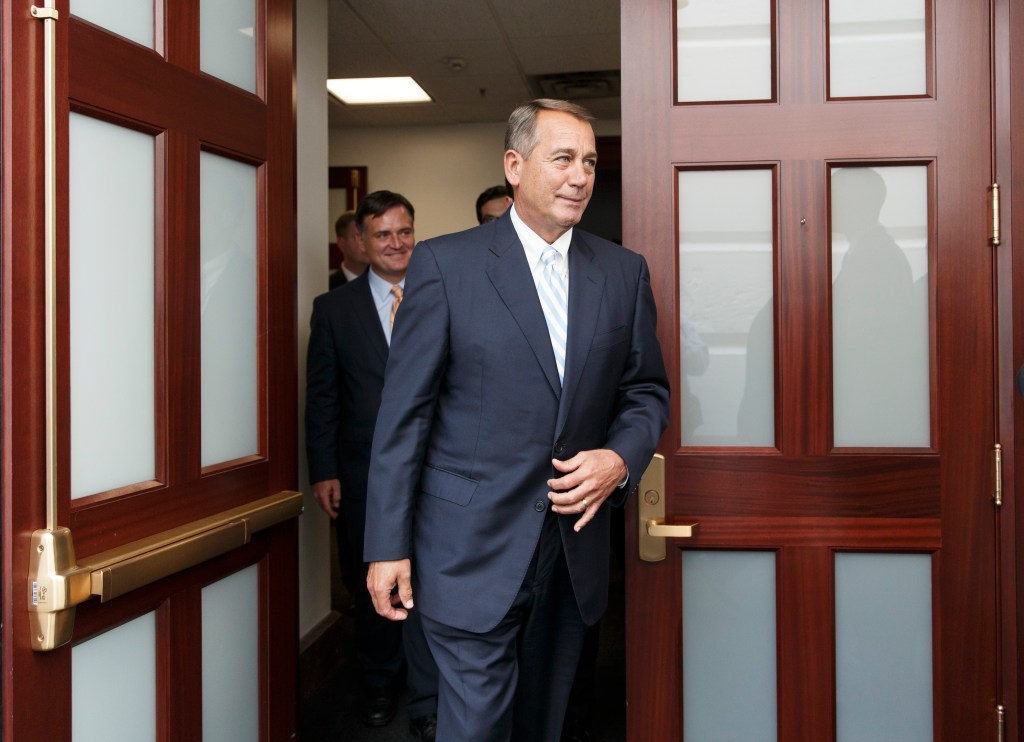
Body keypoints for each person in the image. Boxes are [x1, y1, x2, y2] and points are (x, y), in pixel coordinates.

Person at [365, 99, 670, 741]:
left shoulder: (622, 272)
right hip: (467, 549)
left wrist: (619, 459)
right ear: (514, 165)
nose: (580, 176)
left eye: (589, 161)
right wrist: (387, 545)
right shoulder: (446, 265)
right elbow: (404, 417)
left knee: (547, 726)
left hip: (572, 551)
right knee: (475, 728)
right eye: (562, 158)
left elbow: (645, 392)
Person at [305, 191, 438, 741]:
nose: (396, 243)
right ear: (361, 241)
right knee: (372, 586)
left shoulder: (439, 294)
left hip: (437, 474)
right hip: (361, 476)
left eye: (404, 231)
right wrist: (324, 468)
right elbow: (323, 396)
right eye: (383, 234)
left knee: (433, 583)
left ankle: (430, 698)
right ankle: (380, 682)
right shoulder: (333, 309)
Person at [329, 210, 369, 289]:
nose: (366, 243)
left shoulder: (387, 282)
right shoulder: (328, 286)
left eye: (368, 236)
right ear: (342, 243)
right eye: (359, 237)